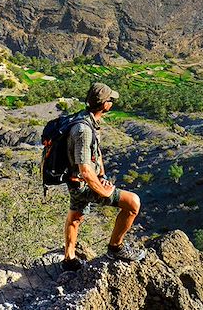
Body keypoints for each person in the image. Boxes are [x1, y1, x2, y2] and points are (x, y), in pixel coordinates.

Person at [62, 82, 146, 271]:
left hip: (75, 181)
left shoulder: (86, 119)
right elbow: (85, 169)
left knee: (75, 216)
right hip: (83, 184)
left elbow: (95, 155)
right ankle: (115, 248)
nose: (112, 103)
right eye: (110, 100)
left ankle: (69, 259)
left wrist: (102, 174)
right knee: (133, 203)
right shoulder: (83, 131)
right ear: (105, 104)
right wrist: (104, 192)